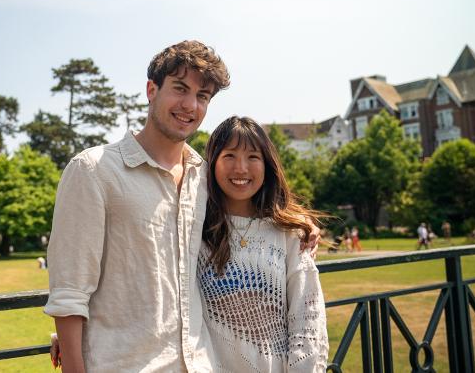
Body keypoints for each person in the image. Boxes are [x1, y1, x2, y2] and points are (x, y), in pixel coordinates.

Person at [44, 40, 320, 372]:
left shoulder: (205, 177)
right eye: (180, 88)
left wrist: (300, 224)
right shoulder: (94, 170)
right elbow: (69, 294)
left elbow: (250, 212)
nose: (189, 105)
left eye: (202, 96)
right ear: (151, 90)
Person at [197, 116, 328, 372]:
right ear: (212, 164)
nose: (241, 168)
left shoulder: (289, 233)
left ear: (267, 165)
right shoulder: (194, 228)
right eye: (230, 156)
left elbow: (307, 317)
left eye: (253, 157)